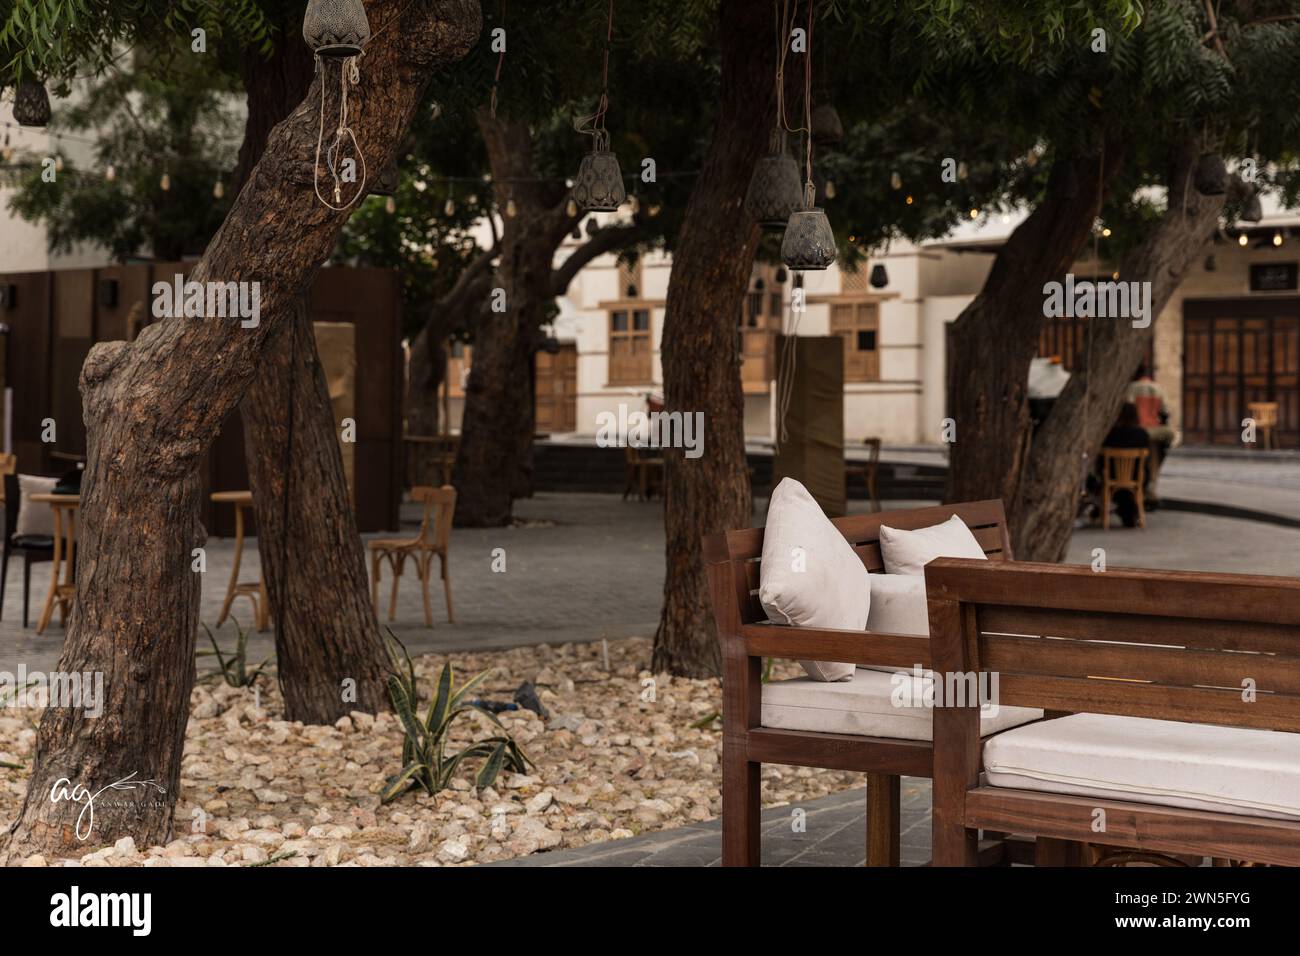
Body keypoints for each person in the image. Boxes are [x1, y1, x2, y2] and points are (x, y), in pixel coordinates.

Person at [1091, 402, 1150, 528]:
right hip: (1136, 478)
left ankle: (1102, 509)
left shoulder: (1110, 434)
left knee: (1096, 479)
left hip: (1111, 477)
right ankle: (1130, 511)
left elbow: (1100, 459)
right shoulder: (1142, 434)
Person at [1125, 364, 1174, 506]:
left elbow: (1127, 409)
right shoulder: (1158, 388)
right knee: (1154, 459)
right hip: (1155, 432)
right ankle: (1151, 490)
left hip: (1136, 432)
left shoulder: (1130, 388)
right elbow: (1165, 411)